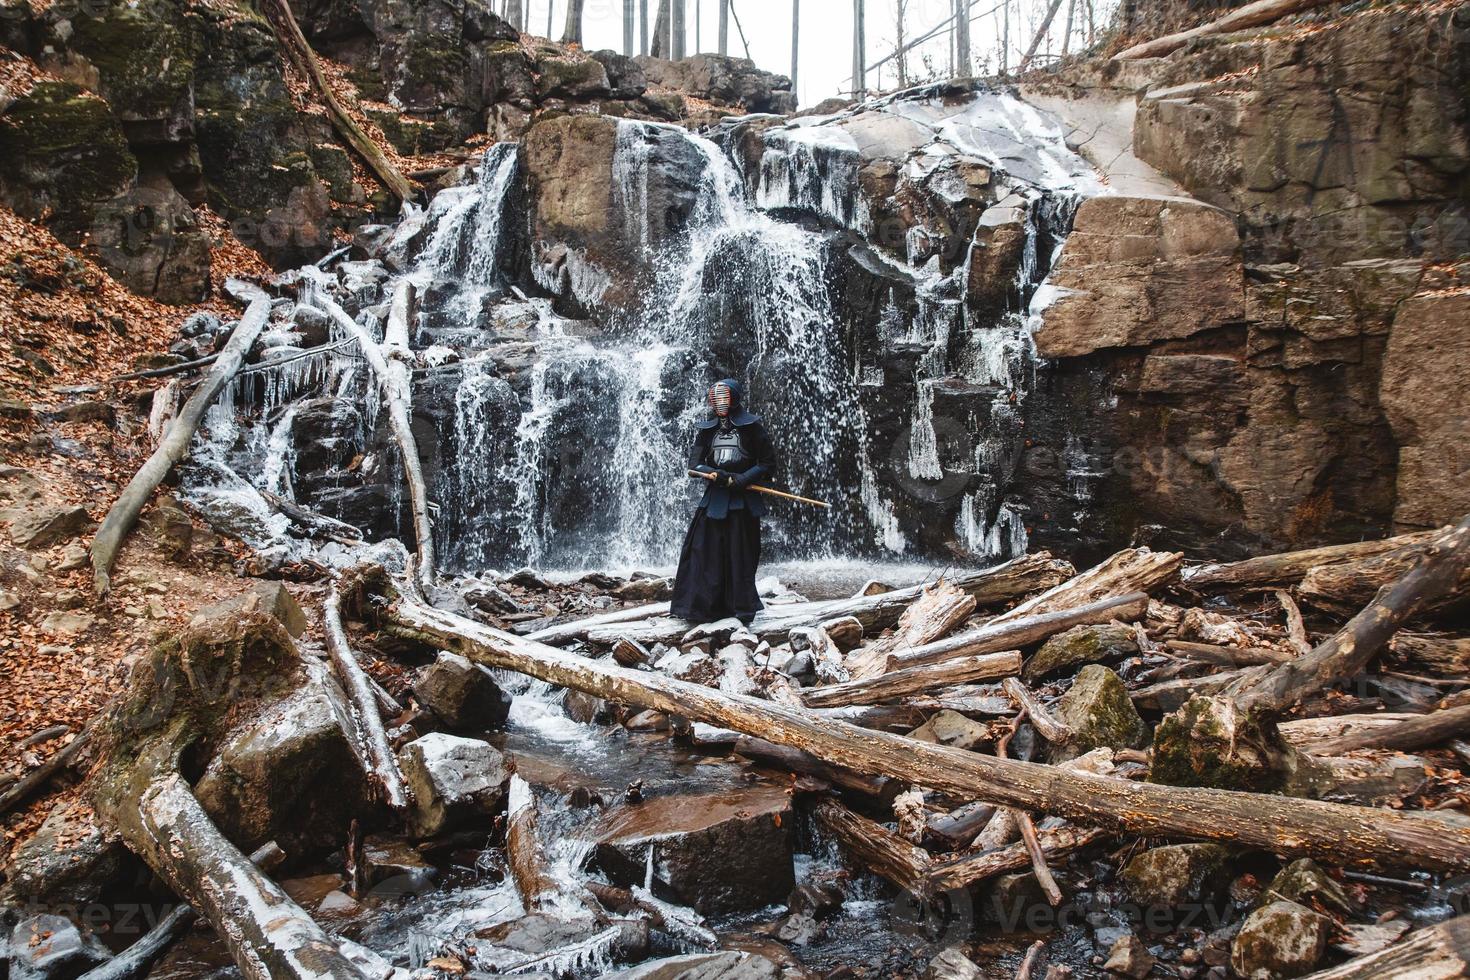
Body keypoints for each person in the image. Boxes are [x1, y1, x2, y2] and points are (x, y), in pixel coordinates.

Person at [670, 378, 777, 625]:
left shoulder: (753, 428)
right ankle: (701, 608)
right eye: (715, 398)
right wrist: (716, 475)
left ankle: (740, 608)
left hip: (742, 500)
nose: (719, 402)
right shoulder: (707, 430)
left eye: (723, 397)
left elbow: (767, 463)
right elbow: (694, 465)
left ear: (734, 399)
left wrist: (741, 479)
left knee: (740, 553)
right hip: (715, 498)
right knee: (702, 550)